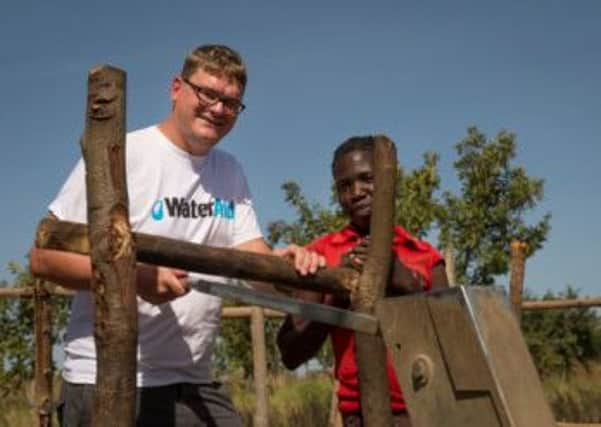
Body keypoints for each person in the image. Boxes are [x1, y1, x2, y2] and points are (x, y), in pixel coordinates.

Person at [29, 44, 323, 427]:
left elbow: (252, 257)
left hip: (191, 381)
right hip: (107, 379)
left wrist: (283, 266)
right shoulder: (124, 152)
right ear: (176, 88)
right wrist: (133, 279)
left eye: (231, 103)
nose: (218, 109)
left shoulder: (230, 171)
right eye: (208, 93)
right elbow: (43, 258)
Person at [276, 136, 449, 427]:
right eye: (345, 186)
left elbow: (454, 346)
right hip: (361, 416)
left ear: (389, 180)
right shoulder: (321, 256)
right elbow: (291, 354)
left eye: (367, 179)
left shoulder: (424, 257)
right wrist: (338, 290)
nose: (356, 192)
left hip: (428, 412)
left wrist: (407, 283)